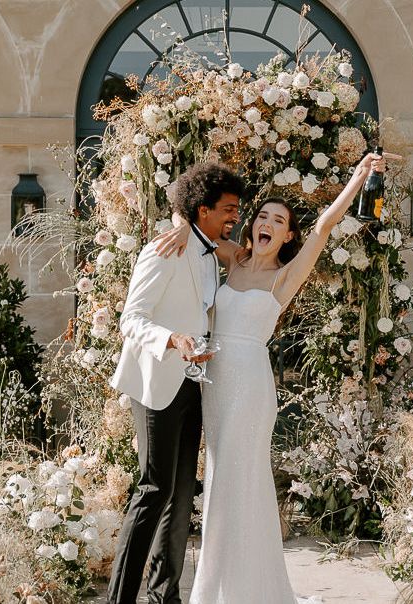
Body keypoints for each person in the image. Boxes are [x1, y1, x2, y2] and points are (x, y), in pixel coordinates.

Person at [155, 151, 387, 603]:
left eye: (277, 220)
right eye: (262, 215)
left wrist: (358, 178)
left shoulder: (285, 277)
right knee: (220, 479)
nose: (266, 223)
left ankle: (247, 592)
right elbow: (196, 226)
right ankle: (220, 586)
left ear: (287, 235)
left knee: (242, 480)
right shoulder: (234, 259)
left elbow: (323, 226)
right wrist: (183, 223)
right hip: (215, 386)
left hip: (251, 388)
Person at [107, 162, 245, 604]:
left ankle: (164, 594)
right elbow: (131, 319)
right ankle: (119, 598)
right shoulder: (164, 249)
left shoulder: (206, 246)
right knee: (153, 490)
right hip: (157, 382)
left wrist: (188, 227)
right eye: (227, 209)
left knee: (182, 494)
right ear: (202, 209)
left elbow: (239, 255)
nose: (234, 217)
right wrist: (172, 339)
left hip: (193, 383)